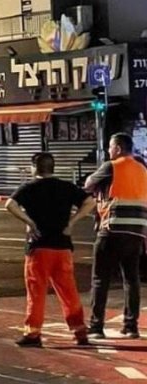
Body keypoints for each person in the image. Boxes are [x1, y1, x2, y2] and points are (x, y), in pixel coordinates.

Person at [5, 152, 96, 347]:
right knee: (68, 290)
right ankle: (80, 331)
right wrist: (72, 222)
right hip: (63, 246)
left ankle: (33, 333)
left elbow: (10, 205)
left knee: (36, 291)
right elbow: (90, 202)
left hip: (39, 247)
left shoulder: (29, 188)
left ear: (34, 168)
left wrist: (29, 222)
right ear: (53, 167)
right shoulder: (66, 187)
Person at [84, 133, 147, 339]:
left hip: (112, 228)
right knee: (131, 279)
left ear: (118, 148)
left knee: (100, 278)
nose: (109, 151)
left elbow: (89, 184)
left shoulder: (112, 166)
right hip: (137, 231)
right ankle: (131, 327)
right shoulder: (143, 170)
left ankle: (95, 327)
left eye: (110, 147)